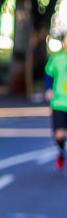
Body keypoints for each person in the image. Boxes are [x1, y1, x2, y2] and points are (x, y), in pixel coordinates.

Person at [44, 42, 67, 170]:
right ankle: (61, 152)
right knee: (60, 135)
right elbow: (48, 74)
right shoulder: (57, 58)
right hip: (59, 103)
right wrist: (48, 89)